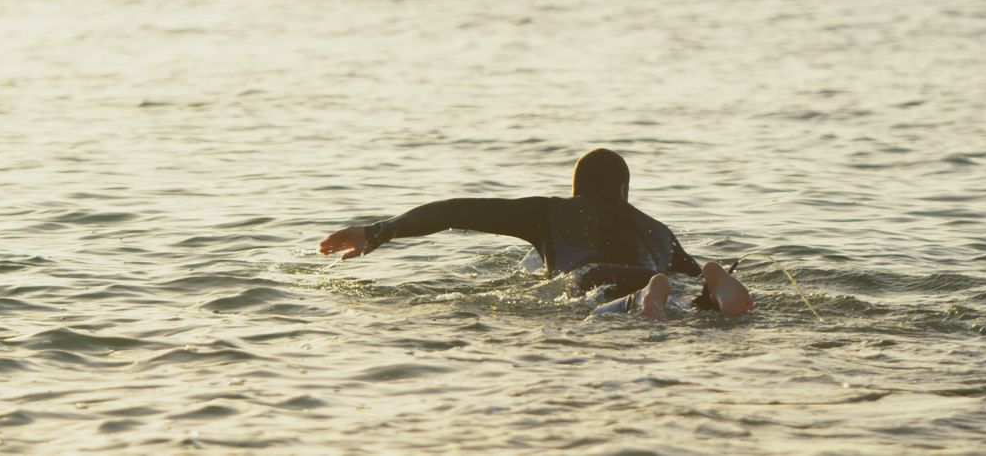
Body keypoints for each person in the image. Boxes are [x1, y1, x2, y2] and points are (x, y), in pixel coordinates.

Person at [318, 148, 753, 320]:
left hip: (596, 278)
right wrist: (702, 278)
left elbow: (456, 210)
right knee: (692, 300)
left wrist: (379, 231)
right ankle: (717, 286)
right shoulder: (658, 230)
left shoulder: (550, 213)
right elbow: (688, 272)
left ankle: (647, 296)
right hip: (654, 274)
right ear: (623, 190)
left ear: (576, 190)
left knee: (612, 295)